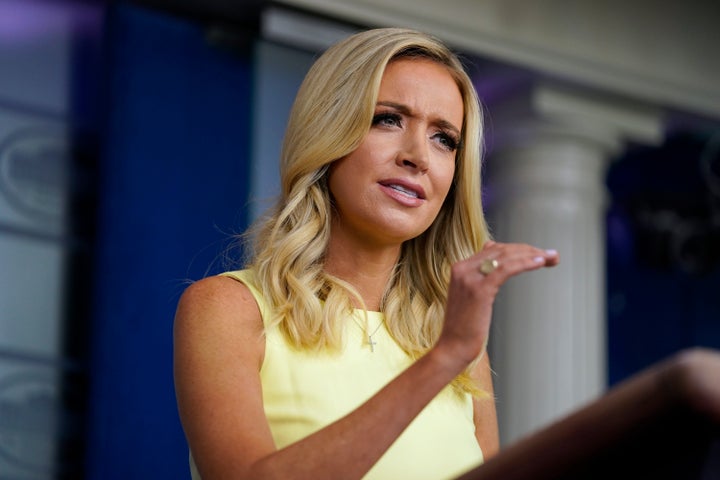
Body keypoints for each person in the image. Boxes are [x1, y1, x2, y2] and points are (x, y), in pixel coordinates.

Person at [173, 27, 559, 480]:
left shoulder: (456, 347)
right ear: (328, 131)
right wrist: (444, 359)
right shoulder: (227, 309)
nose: (418, 156)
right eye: (388, 119)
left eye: (444, 139)